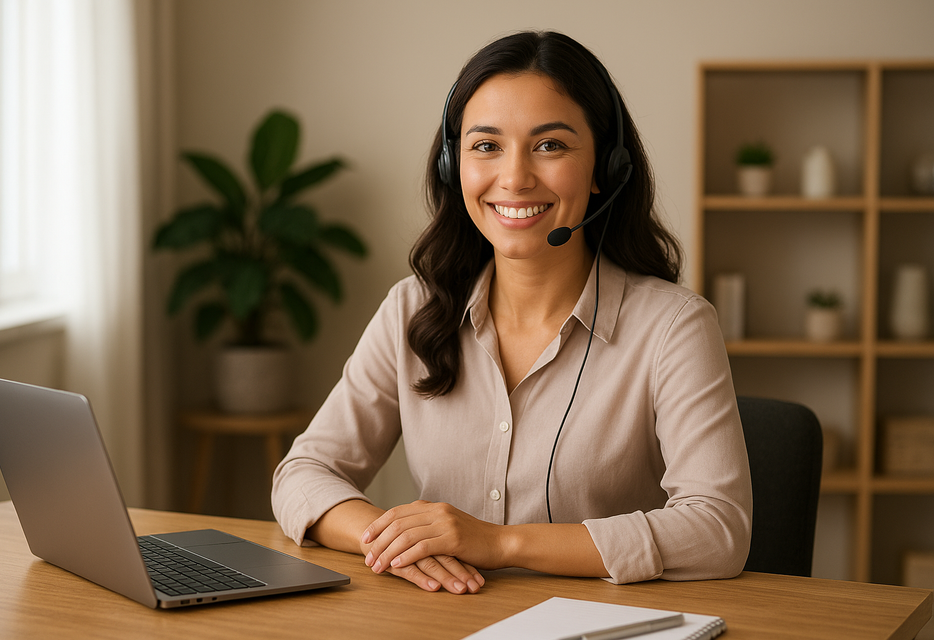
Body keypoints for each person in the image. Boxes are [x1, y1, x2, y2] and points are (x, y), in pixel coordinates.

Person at [272, 30, 751, 594]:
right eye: (486, 146)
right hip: (444, 620)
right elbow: (303, 474)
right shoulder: (412, 309)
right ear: (453, 165)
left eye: (550, 145)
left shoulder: (674, 327)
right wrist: (399, 543)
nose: (516, 178)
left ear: (606, 167)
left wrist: (502, 544)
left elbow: (718, 528)